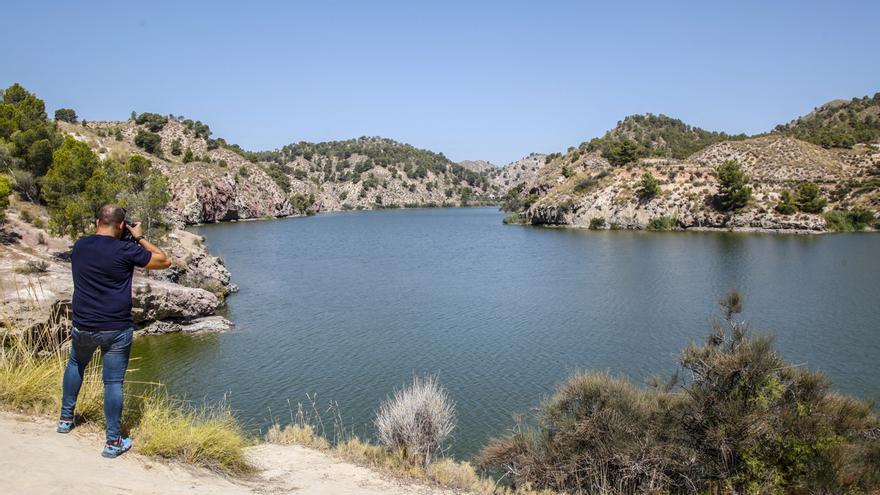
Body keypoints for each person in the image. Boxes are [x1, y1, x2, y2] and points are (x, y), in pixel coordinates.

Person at [57, 204, 171, 458]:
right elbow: (164, 260)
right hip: (116, 328)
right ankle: (112, 442)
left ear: (97, 221)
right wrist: (139, 237)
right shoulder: (127, 250)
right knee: (113, 382)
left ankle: (65, 419)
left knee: (76, 364)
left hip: (83, 324)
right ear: (122, 225)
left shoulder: (80, 246)